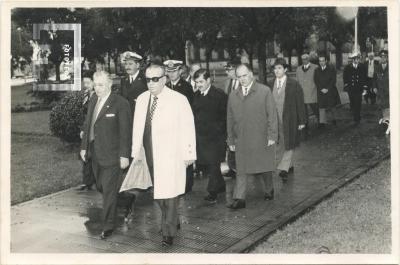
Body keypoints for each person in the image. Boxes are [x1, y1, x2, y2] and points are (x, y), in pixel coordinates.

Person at [131, 64, 196, 247]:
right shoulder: (142, 99)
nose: (150, 83)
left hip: (171, 155)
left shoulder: (178, 99)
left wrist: (189, 152)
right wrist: (135, 152)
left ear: (164, 79)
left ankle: (168, 231)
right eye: (147, 79)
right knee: (158, 193)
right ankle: (172, 220)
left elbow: (188, 127)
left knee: (171, 193)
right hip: (149, 154)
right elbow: (137, 128)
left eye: (155, 79)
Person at [80, 71, 132, 239]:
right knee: (101, 187)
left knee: (108, 191)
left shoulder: (120, 103)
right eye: (95, 85)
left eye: (101, 85)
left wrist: (125, 155)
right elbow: (88, 124)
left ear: (110, 84)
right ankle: (126, 199)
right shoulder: (94, 99)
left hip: (113, 154)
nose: (97, 88)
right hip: (95, 153)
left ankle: (108, 225)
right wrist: (84, 147)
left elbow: (125, 132)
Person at [226, 64, 278, 210]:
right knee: (241, 169)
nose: (242, 79)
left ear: (251, 74)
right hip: (241, 139)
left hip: (261, 137)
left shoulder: (264, 91)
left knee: (264, 166)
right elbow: (229, 119)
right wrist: (230, 139)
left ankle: (269, 189)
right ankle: (239, 198)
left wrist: (272, 135)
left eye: (244, 75)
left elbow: (272, 115)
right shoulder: (233, 95)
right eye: (239, 76)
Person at [119, 51, 148, 219]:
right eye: (126, 63)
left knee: (143, 155)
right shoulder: (124, 82)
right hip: (127, 126)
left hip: (141, 125)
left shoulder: (144, 82)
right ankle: (134, 184)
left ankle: (144, 184)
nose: (128, 66)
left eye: (131, 63)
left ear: (138, 65)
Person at [192, 69, 227, 203]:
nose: (199, 85)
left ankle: (212, 192)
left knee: (213, 164)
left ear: (208, 80)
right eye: (197, 82)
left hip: (215, 138)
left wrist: (219, 132)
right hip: (201, 138)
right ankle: (221, 185)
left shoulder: (219, 95)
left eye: (201, 81)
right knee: (210, 165)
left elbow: (225, 117)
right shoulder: (196, 96)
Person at [268, 58, 306, 182]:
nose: (277, 71)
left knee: (288, 142)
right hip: (274, 120)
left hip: (290, 119)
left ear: (285, 69)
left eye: (279, 68)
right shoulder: (270, 83)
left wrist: (301, 121)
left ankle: (283, 169)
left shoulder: (293, 84)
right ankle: (288, 165)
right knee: (279, 143)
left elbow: (300, 103)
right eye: (275, 68)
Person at [164, 59, 195, 193]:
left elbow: (190, 109)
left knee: (184, 155)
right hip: (169, 128)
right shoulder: (165, 86)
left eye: (174, 71)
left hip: (181, 126)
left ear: (180, 71)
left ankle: (187, 185)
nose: (171, 74)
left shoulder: (186, 87)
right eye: (169, 72)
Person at [78, 70, 96, 191]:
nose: (86, 85)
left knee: (92, 155)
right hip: (86, 128)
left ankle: (93, 180)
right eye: (84, 82)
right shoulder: (86, 95)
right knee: (86, 155)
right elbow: (83, 114)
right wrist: (82, 129)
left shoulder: (96, 96)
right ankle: (87, 181)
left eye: (88, 82)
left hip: (93, 130)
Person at [314, 54, 341, 127]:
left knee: (332, 105)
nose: (321, 62)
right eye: (320, 61)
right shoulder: (316, 70)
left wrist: (327, 89)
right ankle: (322, 122)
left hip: (330, 90)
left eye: (323, 61)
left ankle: (334, 119)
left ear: (326, 61)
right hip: (321, 91)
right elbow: (316, 81)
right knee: (321, 106)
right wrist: (321, 89)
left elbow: (333, 80)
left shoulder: (331, 69)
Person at [296, 53, 319, 135]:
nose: (304, 60)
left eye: (306, 59)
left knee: (315, 109)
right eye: (303, 59)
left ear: (308, 59)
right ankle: (305, 125)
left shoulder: (315, 67)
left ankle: (320, 122)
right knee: (303, 111)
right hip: (302, 94)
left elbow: (318, 80)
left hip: (313, 92)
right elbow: (297, 81)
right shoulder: (298, 69)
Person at [343, 52, 368, 125]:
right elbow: (345, 77)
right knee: (353, 103)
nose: (356, 60)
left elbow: (364, 78)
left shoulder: (362, 67)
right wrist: (346, 85)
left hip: (359, 88)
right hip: (351, 88)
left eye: (357, 59)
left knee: (358, 102)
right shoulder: (348, 67)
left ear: (359, 59)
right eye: (354, 59)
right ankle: (355, 115)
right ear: (352, 60)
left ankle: (357, 117)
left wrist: (365, 88)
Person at [374, 50, 389, 118]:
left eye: (385, 57)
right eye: (382, 57)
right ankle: (382, 123)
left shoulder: (391, 67)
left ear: (387, 58)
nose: (383, 58)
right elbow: (374, 79)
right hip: (380, 92)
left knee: (388, 108)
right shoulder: (377, 67)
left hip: (388, 92)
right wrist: (374, 87)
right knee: (380, 108)